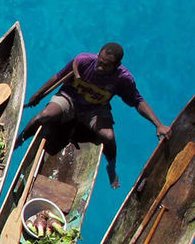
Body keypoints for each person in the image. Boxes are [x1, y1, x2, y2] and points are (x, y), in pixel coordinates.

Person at [16, 42, 170, 188]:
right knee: (43, 116)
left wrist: (158, 124)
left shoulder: (123, 79)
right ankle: (20, 139)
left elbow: (138, 101)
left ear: (117, 66)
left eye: (106, 65)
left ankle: (111, 167)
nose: (100, 67)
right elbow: (57, 77)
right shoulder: (83, 61)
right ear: (98, 55)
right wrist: (38, 94)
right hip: (69, 99)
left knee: (109, 137)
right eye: (100, 61)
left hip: (94, 109)